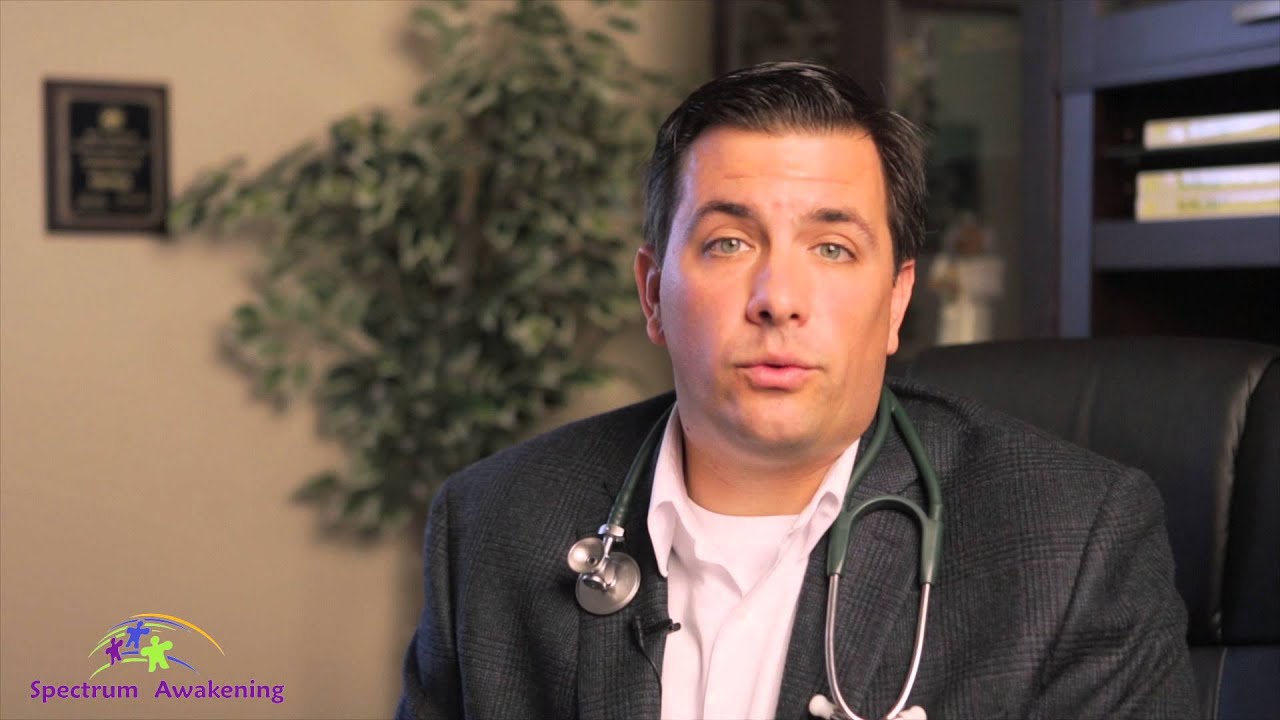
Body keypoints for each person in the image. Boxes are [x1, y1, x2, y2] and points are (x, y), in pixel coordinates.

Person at [396, 61, 1197, 720]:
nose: (778, 298)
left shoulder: (1072, 542)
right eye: (729, 242)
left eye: (833, 248)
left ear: (897, 301)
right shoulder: (494, 526)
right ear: (652, 295)